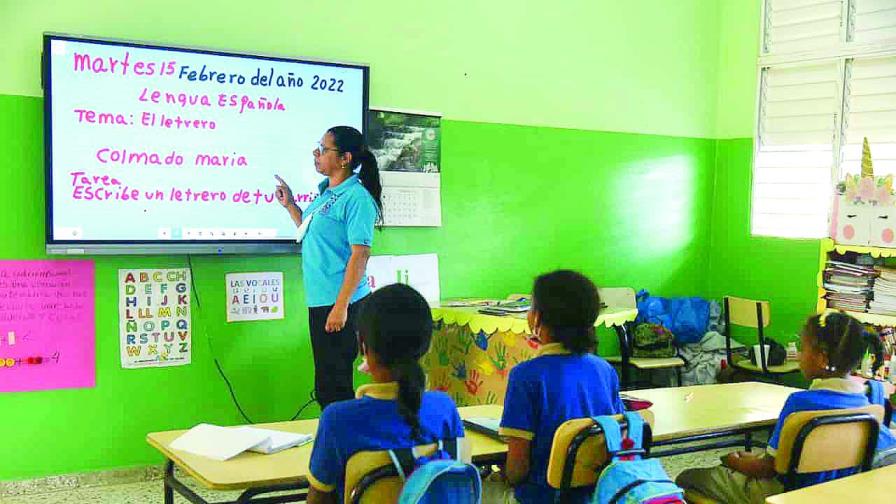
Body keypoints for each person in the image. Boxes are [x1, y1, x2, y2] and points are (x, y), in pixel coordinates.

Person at [676, 311, 896, 504]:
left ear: (821, 358)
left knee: (688, 478)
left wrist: (733, 461)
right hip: (829, 493)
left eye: (803, 347)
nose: (799, 355)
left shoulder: (800, 403)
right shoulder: (868, 406)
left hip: (783, 494)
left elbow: (766, 470)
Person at [306, 283, 464, 504]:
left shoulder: (337, 419)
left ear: (362, 346)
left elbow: (318, 500)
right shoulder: (445, 408)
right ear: (427, 346)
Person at [486, 270, 624, 504]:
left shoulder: (525, 376)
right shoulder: (605, 370)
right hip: (596, 495)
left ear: (537, 318)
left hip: (541, 497)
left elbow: (517, 470)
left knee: (479, 488)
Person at [276, 125, 382, 408]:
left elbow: (360, 255)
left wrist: (341, 306)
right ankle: (339, 443)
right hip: (322, 300)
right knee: (326, 383)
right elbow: (311, 234)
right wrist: (291, 206)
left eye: (323, 149)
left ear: (345, 158)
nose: (316, 153)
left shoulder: (356, 198)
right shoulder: (326, 195)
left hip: (342, 302)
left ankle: (345, 447)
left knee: (333, 386)